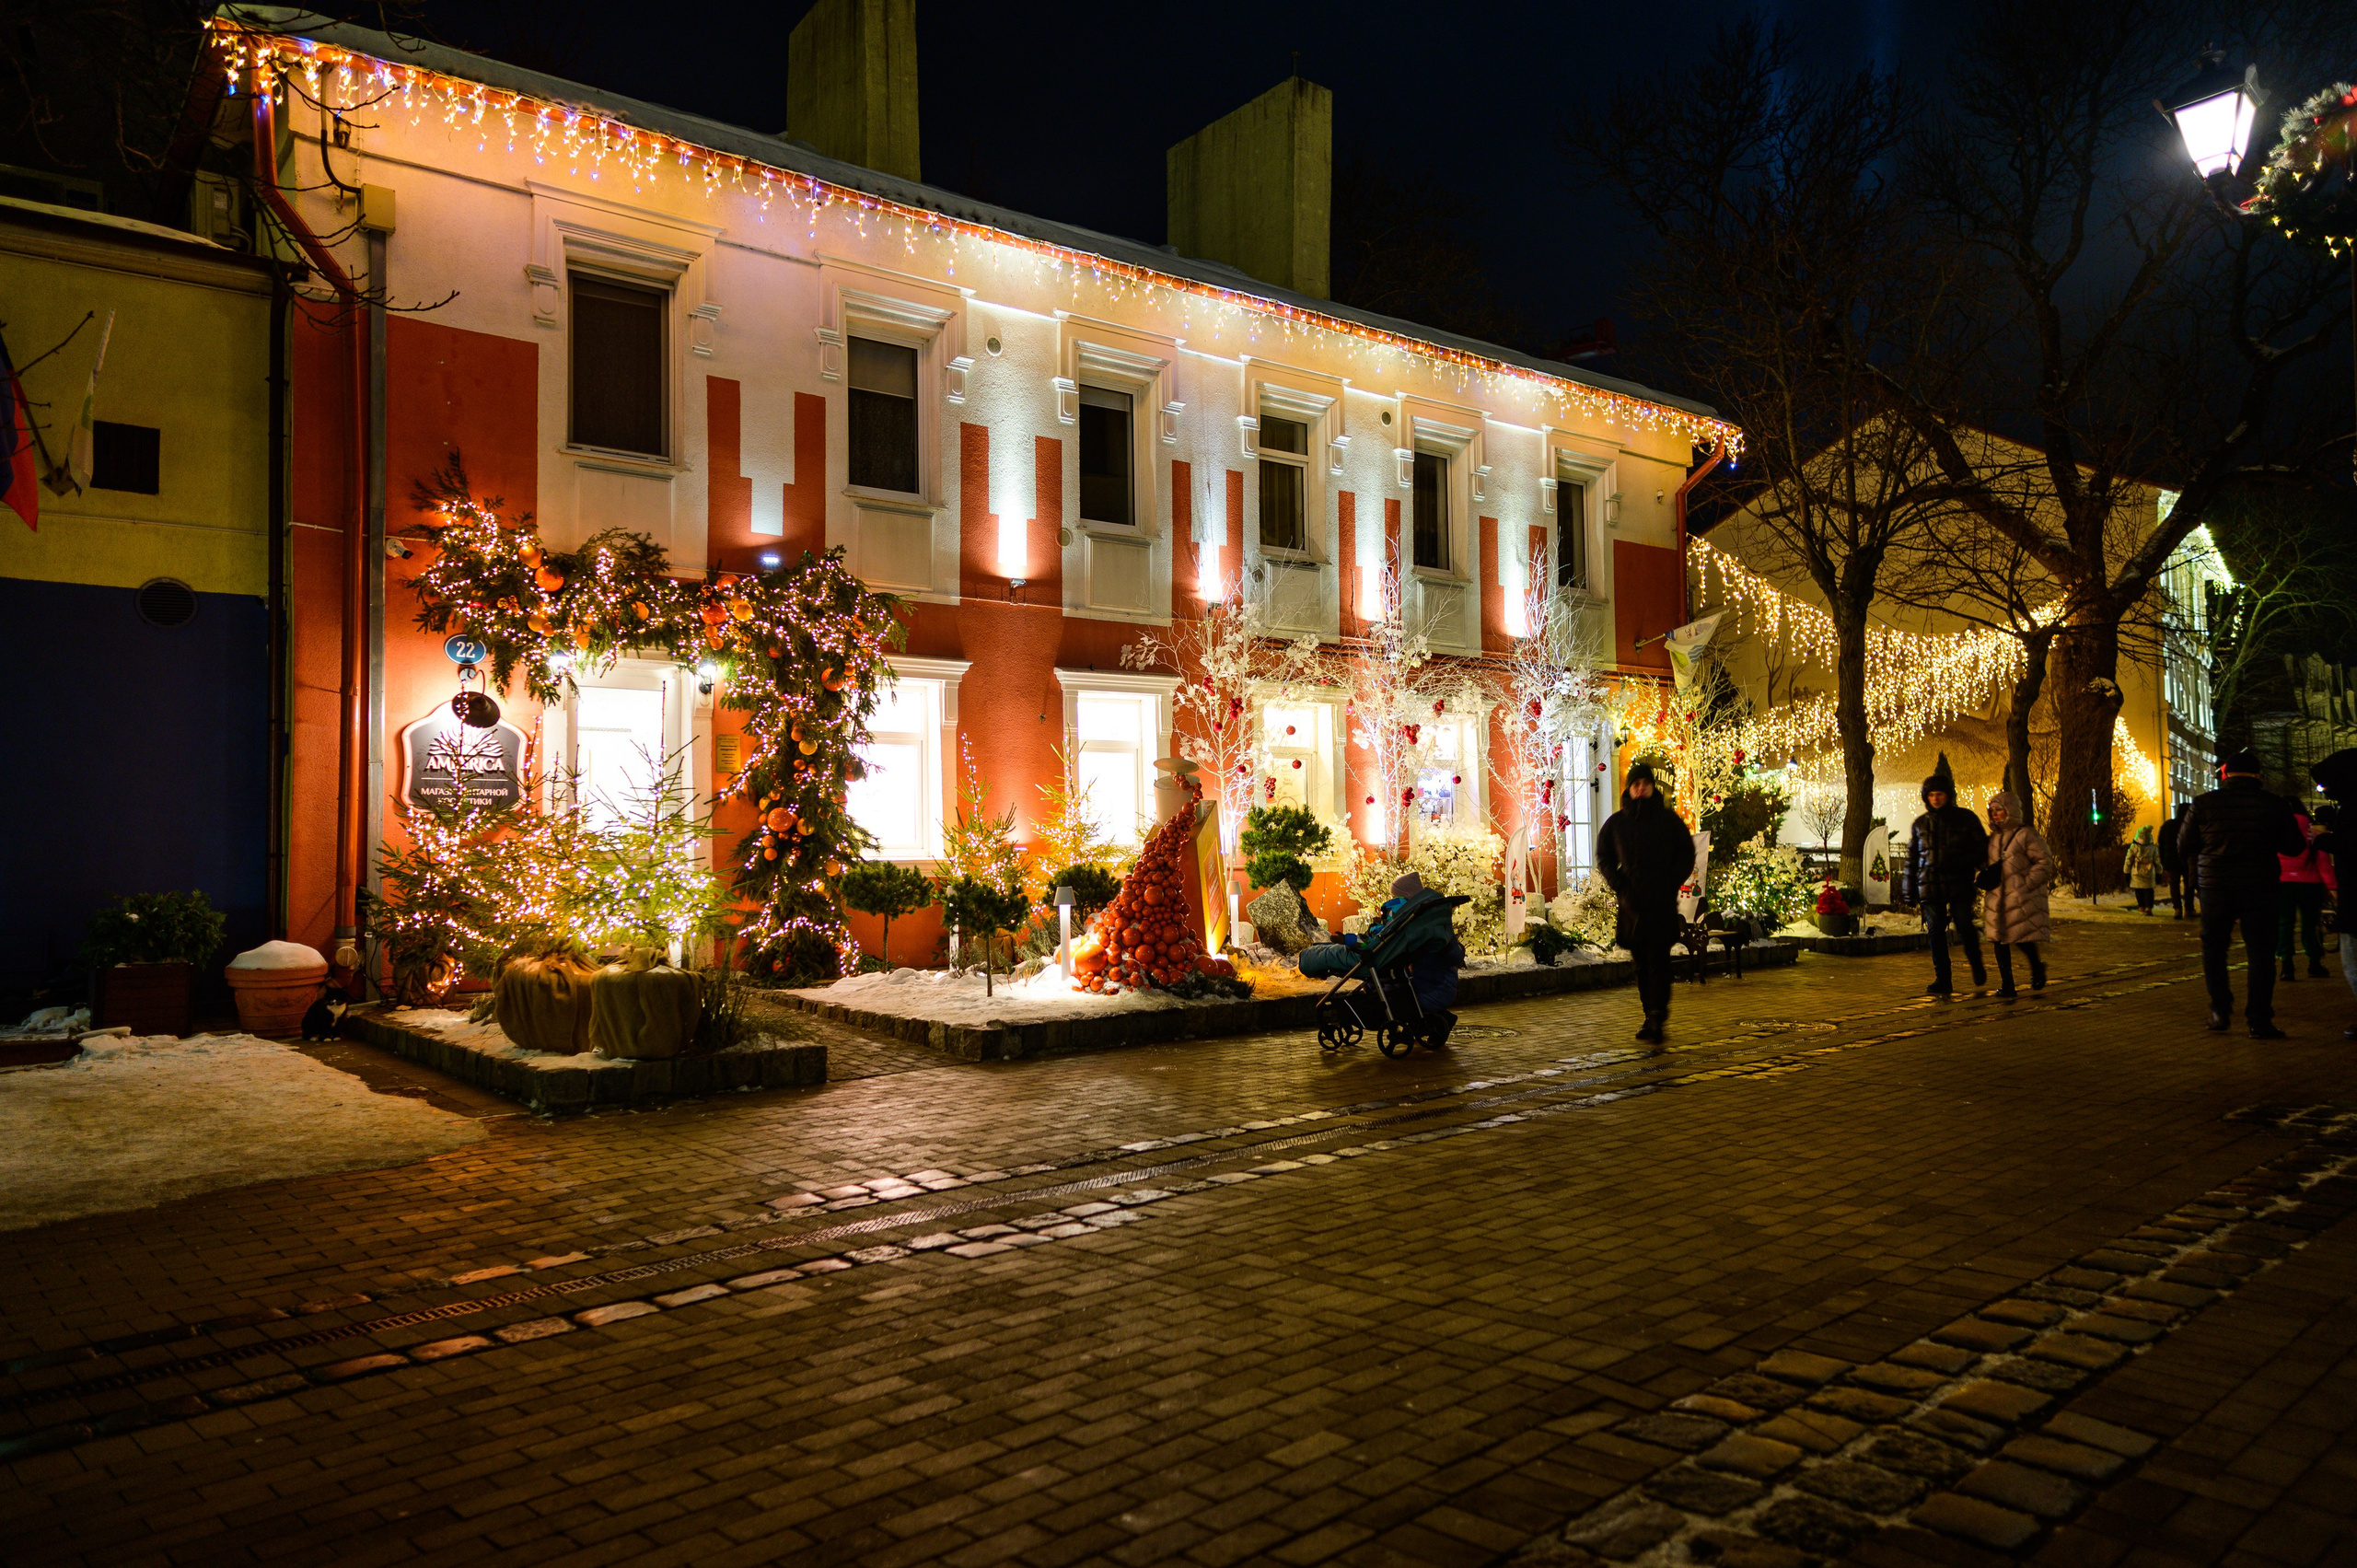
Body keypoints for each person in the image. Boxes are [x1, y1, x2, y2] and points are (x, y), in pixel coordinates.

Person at [2180, 749, 2306, 1039]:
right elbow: (2294, 847)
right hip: (2259, 885)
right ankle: (2259, 1020)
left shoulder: (2203, 804)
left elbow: (2184, 844)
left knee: (2214, 948)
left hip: (2215, 886)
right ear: (2258, 775)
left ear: (2224, 774)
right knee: (2261, 952)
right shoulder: (2274, 805)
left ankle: (2219, 1011)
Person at [1597, 762, 1695, 1044]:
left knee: (1659, 963)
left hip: (1661, 903)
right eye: (1636, 784)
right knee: (1641, 964)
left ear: (1653, 787)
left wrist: (1670, 882)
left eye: (1646, 784)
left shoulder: (1669, 821)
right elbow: (1604, 857)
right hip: (1632, 906)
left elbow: (1686, 856)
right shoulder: (1617, 823)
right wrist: (1619, 885)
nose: (1641, 788)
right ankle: (1649, 1014)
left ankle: (1657, 1016)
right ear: (1629, 788)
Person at [1906, 771, 1990, 996]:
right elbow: (1912, 858)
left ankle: (1976, 964)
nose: (1935, 799)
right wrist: (1909, 888)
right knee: (1935, 933)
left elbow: (1981, 847)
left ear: (1948, 795)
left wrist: (1968, 863)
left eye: (1939, 794)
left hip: (1958, 883)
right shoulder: (1920, 824)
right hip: (1930, 886)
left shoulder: (1965, 818)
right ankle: (1943, 978)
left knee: (1964, 926)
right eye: (1931, 795)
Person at [1982, 793, 2054, 998]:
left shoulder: (2026, 835)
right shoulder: (1993, 838)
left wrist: (2027, 883)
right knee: (1998, 940)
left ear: (2010, 811)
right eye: (1992, 810)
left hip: (2020, 896)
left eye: (1999, 809)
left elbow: (2044, 861)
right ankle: (2008, 985)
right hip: (1997, 897)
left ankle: (2037, 968)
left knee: (2021, 939)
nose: (1995, 814)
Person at [2276, 807, 2334, 981]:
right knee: (2310, 924)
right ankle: (2314, 964)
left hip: (2282, 884)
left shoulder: (2276, 834)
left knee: (2284, 924)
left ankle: (2287, 966)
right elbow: (2323, 864)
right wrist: (2332, 887)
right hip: (2310, 884)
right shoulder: (2313, 834)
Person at [2162, 801, 2195, 917]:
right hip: (2186, 859)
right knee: (2189, 885)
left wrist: (2163, 859)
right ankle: (2189, 909)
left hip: (2171, 860)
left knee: (2174, 884)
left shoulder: (2168, 825)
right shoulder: (2190, 826)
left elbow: (2161, 842)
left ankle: (2177, 909)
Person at [2122, 826, 2160, 914]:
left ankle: (2141, 906)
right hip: (2149, 872)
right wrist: (2159, 872)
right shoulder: (2153, 848)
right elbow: (2157, 861)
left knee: (2139, 890)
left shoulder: (2133, 847)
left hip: (2136, 872)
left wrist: (2126, 872)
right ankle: (2148, 907)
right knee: (2148, 890)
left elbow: (2128, 860)